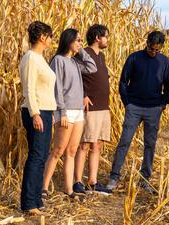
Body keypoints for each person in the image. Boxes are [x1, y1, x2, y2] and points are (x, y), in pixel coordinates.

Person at [106, 31, 169, 194]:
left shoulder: (164, 62)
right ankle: (114, 177)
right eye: (151, 48)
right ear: (147, 43)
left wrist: (163, 104)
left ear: (161, 47)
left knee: (150, 144)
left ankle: (144, 180)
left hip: (153, 108)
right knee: (125, 141)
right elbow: (123, 81)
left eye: (157, 50)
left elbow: (168, 85)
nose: (153, 52)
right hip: (134, 107)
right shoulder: (134, 58)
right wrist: (127, 103)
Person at [42, 29, 97, 200]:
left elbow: (92, 67)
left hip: (78, 112)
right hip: (64, 112)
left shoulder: (74, 62)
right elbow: (56, 87)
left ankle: (69, 190)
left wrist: (80, 50)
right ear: (69, 41)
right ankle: (43, 188)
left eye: (81, 41)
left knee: (72, 151)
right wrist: (62, 112)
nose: (81, 43)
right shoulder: (58, 61)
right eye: (78, 40)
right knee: (58, 150)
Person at [19, 21, 56, 215]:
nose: (51, 40)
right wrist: (35, 114)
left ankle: (35, 199)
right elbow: (29, 89)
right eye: (50, 36)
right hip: (37, 112)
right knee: (36, 156)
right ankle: (28, 203)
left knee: (40, 156)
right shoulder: (31, 58)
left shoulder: (40, 58)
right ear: (42, 37)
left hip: (45, 111)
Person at [73, 24, 112, 195]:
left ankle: (93, 182)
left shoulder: (101, 56)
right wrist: (82, 95)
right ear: (98, 37)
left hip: (104, 106)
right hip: (90, 107)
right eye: (106, 36)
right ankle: (77, 182)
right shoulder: (83, 54)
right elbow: (73, 76)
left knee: (97, 144)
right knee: (85, 144)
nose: (107, 40)